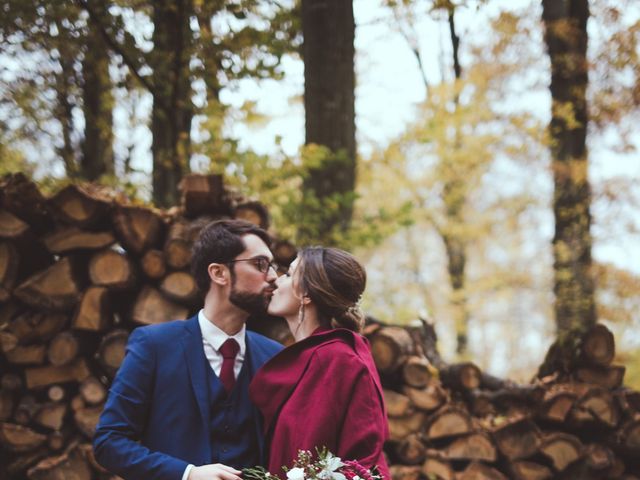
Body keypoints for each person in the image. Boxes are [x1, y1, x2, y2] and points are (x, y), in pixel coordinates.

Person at [93, 220, 284, 480]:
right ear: (219, 273)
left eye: (272, 266)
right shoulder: (154, 345)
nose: (273, 276)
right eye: (260, 264)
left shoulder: (273, 356)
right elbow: (109, 442)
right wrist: (187, 474)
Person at [249, 247, 390, 479]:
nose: (276, 279)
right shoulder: (302, 359)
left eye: (288, 274)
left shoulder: (342, 360)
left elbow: (364, 456)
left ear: (306, 294)